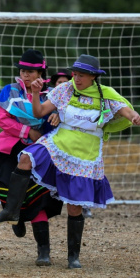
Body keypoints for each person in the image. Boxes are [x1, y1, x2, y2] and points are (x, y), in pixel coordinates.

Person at [0, 54, 140, 269]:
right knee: (26, 158)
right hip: (57, 144)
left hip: (84, 154)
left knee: (74, 208)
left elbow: (123, 108)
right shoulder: (65, 89)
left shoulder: (105, 94)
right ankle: (12, 211)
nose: (76, 79)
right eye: (75, 74)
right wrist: (34, 94)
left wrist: (133, 116)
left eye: (81, 75)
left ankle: (73, 256)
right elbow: (39, 111)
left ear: (94, 77)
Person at [0, 49, 63, 266]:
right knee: (7, 190)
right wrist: (28, 132)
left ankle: (43, 252)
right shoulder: (9, 91)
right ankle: (14, 216)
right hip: (8, 149)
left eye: (31, 71)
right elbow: (3, 119)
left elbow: (61, 119)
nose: (26, 75)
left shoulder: (52, 95)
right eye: (23, 70)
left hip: (40, 151)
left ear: (41, 73)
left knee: (38, 199)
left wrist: (57, 116)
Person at [50, 68, 93, 219]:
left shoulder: (81, 97)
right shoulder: (50, 99)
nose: (62, 85)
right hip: (55, 144)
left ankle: (84, 205)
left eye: (65, 82)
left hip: (77, 145)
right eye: (58, 82)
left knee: (79, 176)